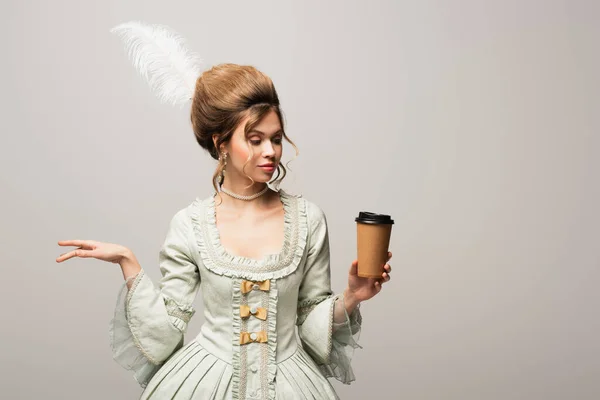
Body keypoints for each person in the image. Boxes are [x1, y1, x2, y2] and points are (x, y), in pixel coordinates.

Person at [56, 64, 392, 399]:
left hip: (291, 384)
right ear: (222, 143)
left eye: (276, 139)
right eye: (255, 139)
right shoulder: (190, 224)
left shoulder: (309, 219)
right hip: (203, 384)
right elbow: (165, 334)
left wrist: (352, 297)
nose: (271, 152)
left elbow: (310, 322)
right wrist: (127, 261)